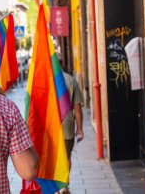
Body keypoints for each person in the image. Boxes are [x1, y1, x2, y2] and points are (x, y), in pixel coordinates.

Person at [59, 61, 84, 194]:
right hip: (67, 125)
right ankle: (64, 185)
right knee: (66, 157)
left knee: (53, 157)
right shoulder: (70, 80)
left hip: (49, 128)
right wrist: (79, 128)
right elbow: (77, 107)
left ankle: (55, 186)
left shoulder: (44, 81)